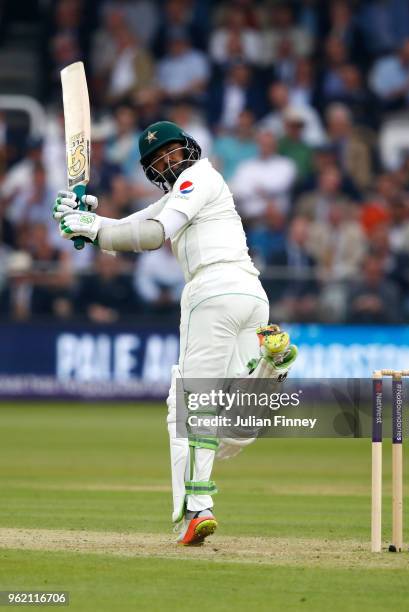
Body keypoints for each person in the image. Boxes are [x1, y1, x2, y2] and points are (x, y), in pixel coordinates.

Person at [52, 121, 298, 546]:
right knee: (235, 431)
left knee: (187, 403)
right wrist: (86, 221)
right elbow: (128, 230)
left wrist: (91, 227)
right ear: (151, 169)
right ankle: (271, 366)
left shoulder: (198, 175)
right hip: (252, 295)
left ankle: (197, 509)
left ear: (188, 148)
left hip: (211, 292)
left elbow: (151, 236)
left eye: (170, 152)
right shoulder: (182, 193)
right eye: (156, 159)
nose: (166, 161)